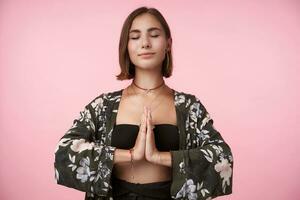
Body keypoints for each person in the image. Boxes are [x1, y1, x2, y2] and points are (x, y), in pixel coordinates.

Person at [54, 6, 234, 200]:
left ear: (168, 44)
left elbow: (222, 157)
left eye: (154, 35)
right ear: (127, 46)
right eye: (135, 37)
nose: (145, 43)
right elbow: (65, 151)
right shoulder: (103, 106)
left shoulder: (189, 107)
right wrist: (129, 154)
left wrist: (160, 157)